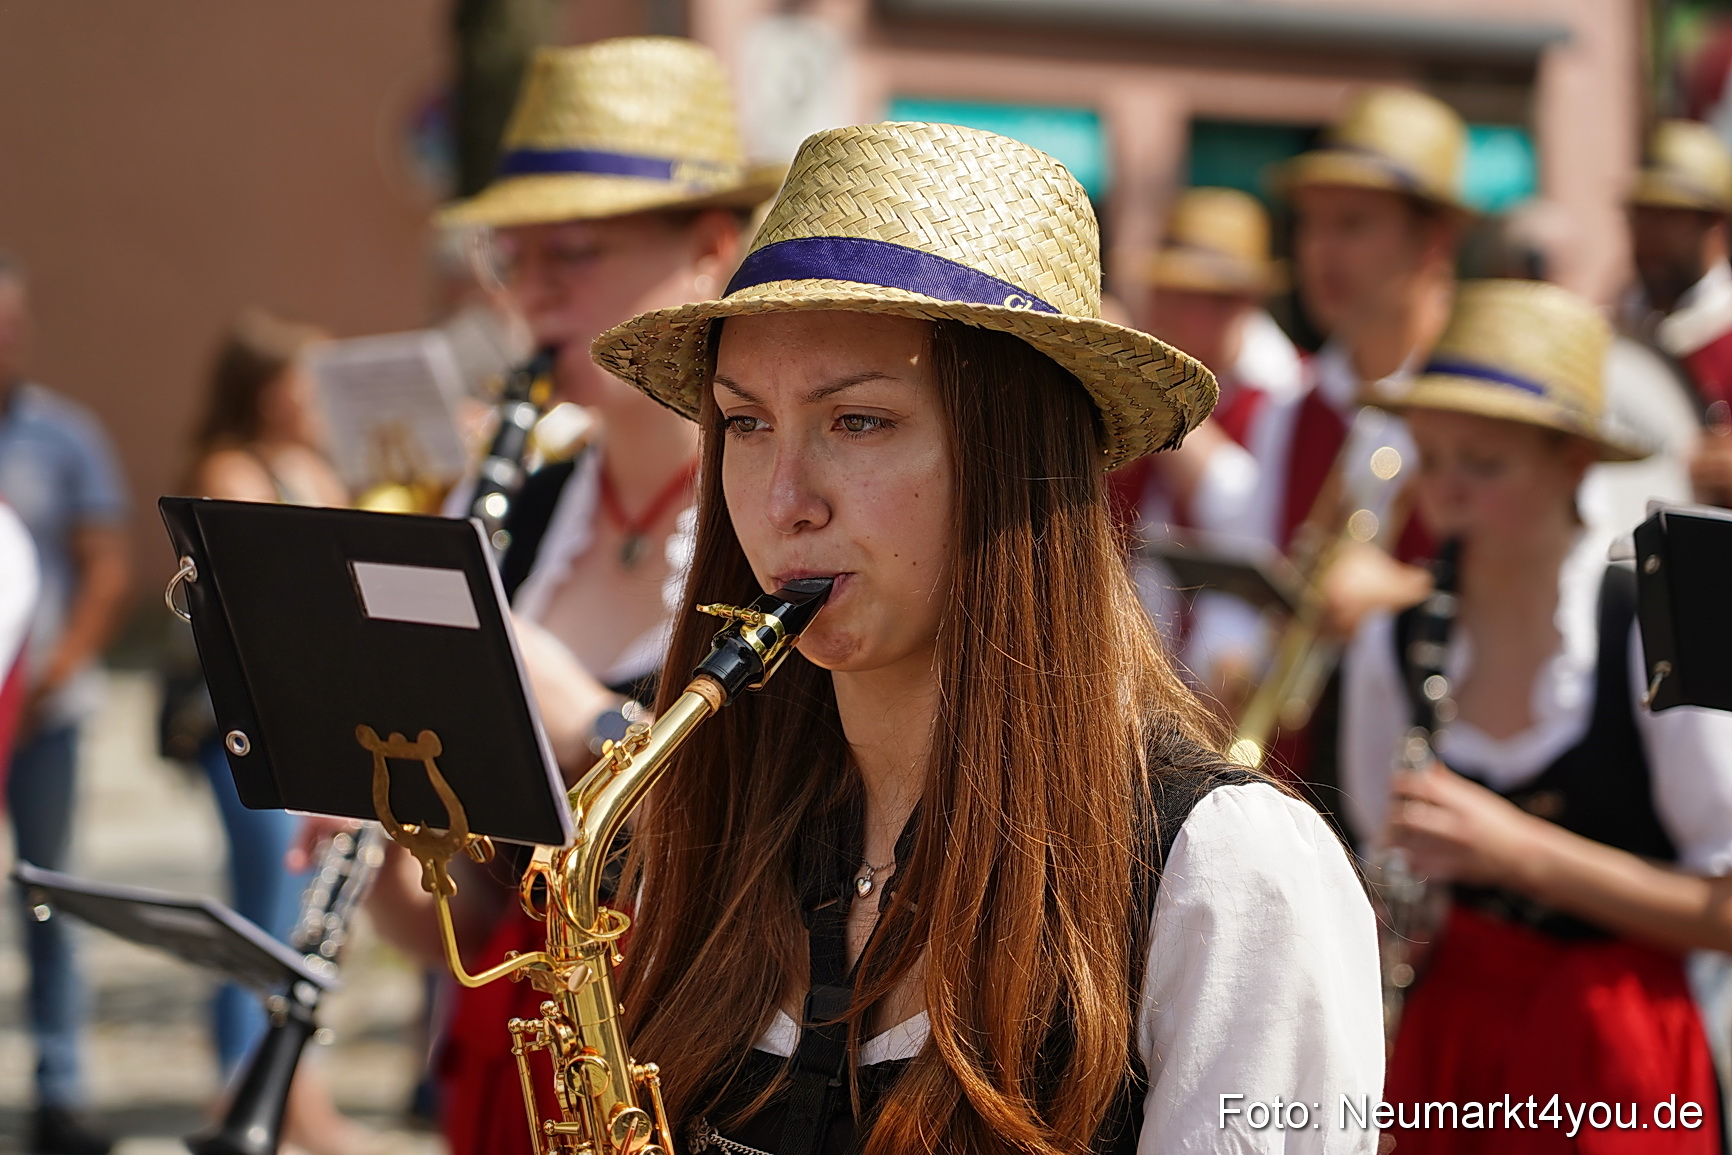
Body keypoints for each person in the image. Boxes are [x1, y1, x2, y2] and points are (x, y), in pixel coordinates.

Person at [584, 119, 1383, 1153]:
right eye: (745, 423)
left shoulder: (1228, 877)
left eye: (856, 422)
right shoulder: (721, 825)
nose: (783, 500)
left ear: (1014, 454)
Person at [351, 37, 777, 1155]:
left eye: (575, 252)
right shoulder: (526, 506)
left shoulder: (779, 519)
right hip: (508, 1074)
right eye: (514, 254)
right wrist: (402, 854)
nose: (531, 291)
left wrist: (577, 709)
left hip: (694, 1083)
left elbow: (786, 844)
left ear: (711, 249)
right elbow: (485, 928)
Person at [1341, 280, 1732, 1153]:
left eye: (1483, 464)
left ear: (1573, 464)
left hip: (1617, 1053)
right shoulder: (1393, 642)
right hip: (1453, 1045)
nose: (1445, 495)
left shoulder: (1649, 630)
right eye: (1431, 458)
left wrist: (1522, 853)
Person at [179, 308, 377, 1155]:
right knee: (263, 911)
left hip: (305, 710)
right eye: (307, 378)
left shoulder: (307, 460)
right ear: (266, 391)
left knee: (297, 912)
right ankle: (243, 1096)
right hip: (244, 722)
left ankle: (284, 1094)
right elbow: (268, 587)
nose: (319, 395)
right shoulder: (233, 466)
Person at [0, 252, 131, 1155]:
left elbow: (106, 565)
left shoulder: (65, 435)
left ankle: (60, 1082)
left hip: (43, 712)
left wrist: (62, 665)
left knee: (47, 897)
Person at [1115, 186, 1303, 708]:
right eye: (1161, 287)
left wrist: (1142, 381)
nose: (1158, 307)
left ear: (1236, 304)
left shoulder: (1293, 398)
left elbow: (1236, 509)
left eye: (1181, 293)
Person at [1619, 119, 1732, 507]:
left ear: (1714, 222)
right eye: (1640, 215)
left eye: (1669, 216)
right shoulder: (1613, 335)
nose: (1649, 233)